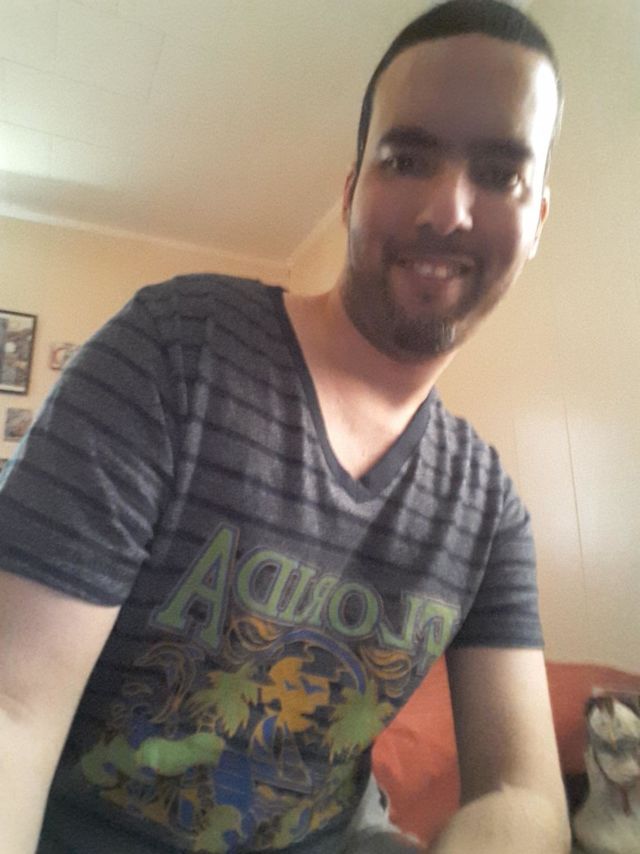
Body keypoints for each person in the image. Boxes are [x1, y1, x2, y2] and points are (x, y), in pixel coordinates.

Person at [0, 1, 571, 852]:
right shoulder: (173, 351)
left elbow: (521, 791)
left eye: (500, 173)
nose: (448, 209)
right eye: (406, 158)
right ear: (350, 193)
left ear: (537, 224)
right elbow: (12, 707)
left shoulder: (490, 513)